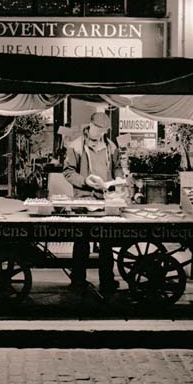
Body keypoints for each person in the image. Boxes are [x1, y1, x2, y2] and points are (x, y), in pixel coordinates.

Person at [63, 112, 123, 293]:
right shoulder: (76, 146)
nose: (100, 133)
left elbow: (117, 166)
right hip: (84, 199)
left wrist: (118, 179)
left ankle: (107, 281)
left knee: (106, 242)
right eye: (97, 129)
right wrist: (84, 181)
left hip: (105, 200)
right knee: (82, 241)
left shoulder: (111, 146)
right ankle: (78, 281)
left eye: (104, 131)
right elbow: (68, 171)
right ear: (90, 125)